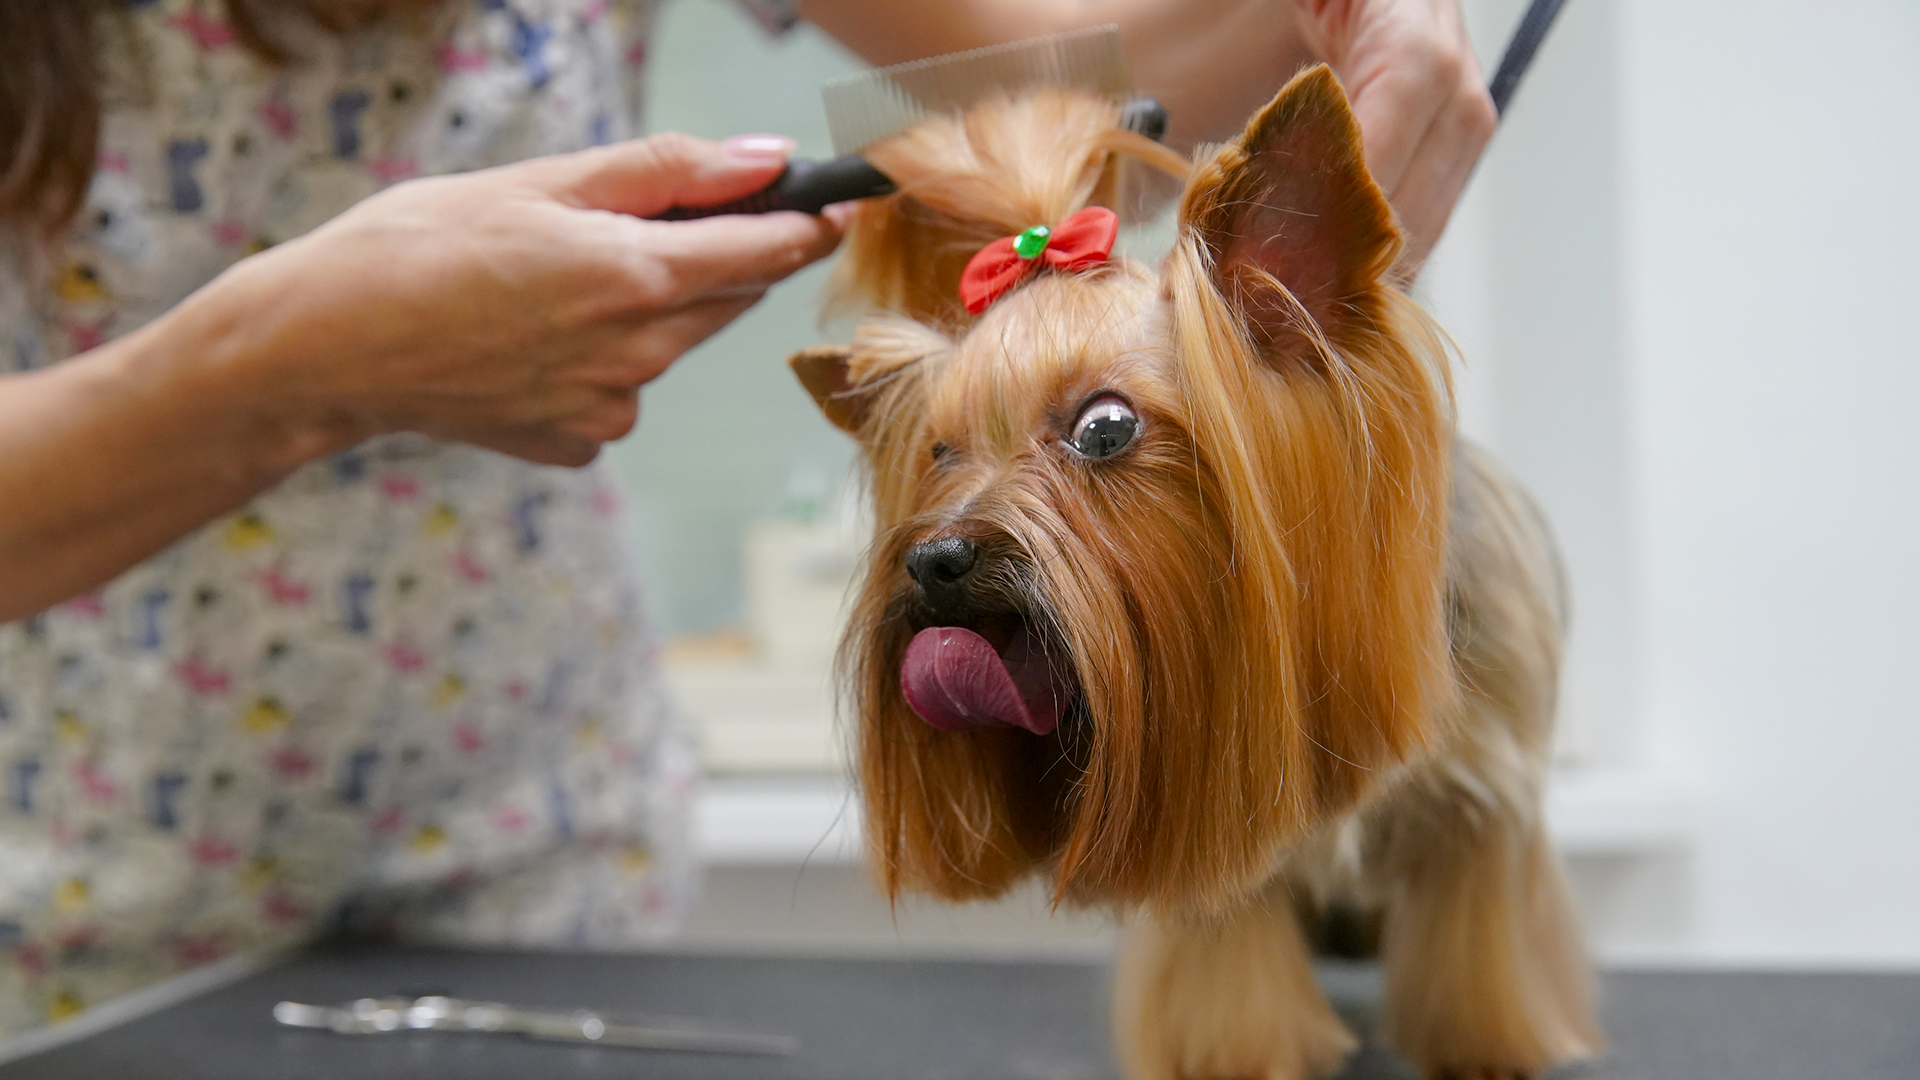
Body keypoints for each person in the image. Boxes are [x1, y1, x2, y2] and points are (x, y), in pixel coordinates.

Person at [0, 0, 1496, 1035]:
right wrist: (289, 372)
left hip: (541, 870)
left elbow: (1087, 52)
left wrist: (1351, 14)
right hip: (76, 906)